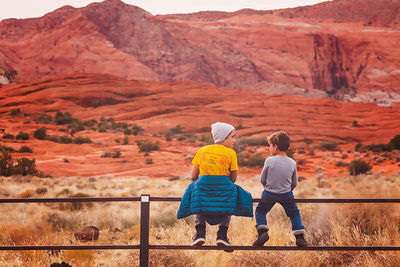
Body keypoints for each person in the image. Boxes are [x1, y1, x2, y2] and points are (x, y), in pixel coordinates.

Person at [177, 122, 253, 250]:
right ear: (223, 137)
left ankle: (200, 234)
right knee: (230, 198)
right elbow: (233, 179)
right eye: (233, 137)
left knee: (198, 197)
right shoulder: (231, 153)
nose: (235, 140)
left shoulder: (202, 150)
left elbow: (193, 176)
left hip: (203, 184)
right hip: (224, 186)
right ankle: (222, 235)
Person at [253, 131, 307, 247]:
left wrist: (268, 188)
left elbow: (262, 179)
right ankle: (300, 238)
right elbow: (295, 182)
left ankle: (262, 232)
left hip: (269, 193)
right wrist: (287, 190)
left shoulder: (269, 160)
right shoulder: (292, 162)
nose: (269, 148)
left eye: (270, 146)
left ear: (275, 147)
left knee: (260, 211)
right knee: (294, 213)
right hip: (286, 194)